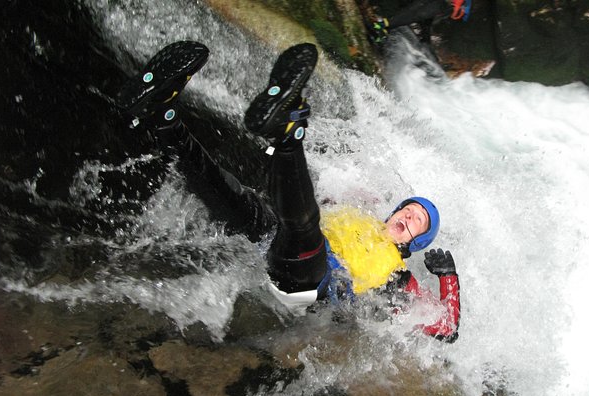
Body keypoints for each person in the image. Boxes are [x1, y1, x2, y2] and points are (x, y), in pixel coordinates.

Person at [115, 41, 461, 342]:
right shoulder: (361, 215)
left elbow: (446, 329)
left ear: (416, 242)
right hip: (283, 248)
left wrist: (448, 277)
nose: (410, 215)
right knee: (227, 193)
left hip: (310, 287)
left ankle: (287, 133)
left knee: (303, 226)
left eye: (419, 221)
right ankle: (163, 117)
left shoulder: (397, 280)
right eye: (409, 209)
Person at [367, 0, 471, 45]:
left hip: (444, 4)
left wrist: (459, 9)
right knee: (413, 9)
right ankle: (385, 26)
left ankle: (384, 26)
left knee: (417, 14)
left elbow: (462, 8)